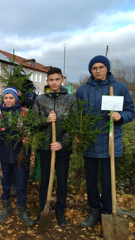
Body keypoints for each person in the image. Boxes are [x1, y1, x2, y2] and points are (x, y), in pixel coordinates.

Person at [76, 55, 135, 228]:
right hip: (90, 143)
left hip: (111, 141)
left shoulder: (119, 87)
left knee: (108, 180)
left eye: (101, 67)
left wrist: (120, 116)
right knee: (91, 179)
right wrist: (78, 132)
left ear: (107, 68)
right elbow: (77, 115)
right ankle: (94, 210)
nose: (98, 71)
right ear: (90, 70)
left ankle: (107, 212)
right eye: (94, 68)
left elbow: (131, 110)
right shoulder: (82, 90)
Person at [0, 87, 35, 226]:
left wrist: (28, 138)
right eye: (6, 98)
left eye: (11, 98)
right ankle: (6, 209)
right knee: (6, 182)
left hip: (20, 154)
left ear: (15, 99)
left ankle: (22, 210)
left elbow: (29, 130)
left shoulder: (23, 112)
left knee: (21, 184)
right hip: (5, 154)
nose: (8, 100)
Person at [33, 67, 75, 227]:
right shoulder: (40, 100)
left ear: (62, 79)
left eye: (57, 79)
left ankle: (59, 210)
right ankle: (44, 207)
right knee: (44, 180)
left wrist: (62, 143)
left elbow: (73, 126)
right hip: (45, 148)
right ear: (47, 81)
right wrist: (46, 121)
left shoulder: (70, 99)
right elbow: (34, 123)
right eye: (51, 80)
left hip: (63, 149)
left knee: (62, 181)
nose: (54, 82)